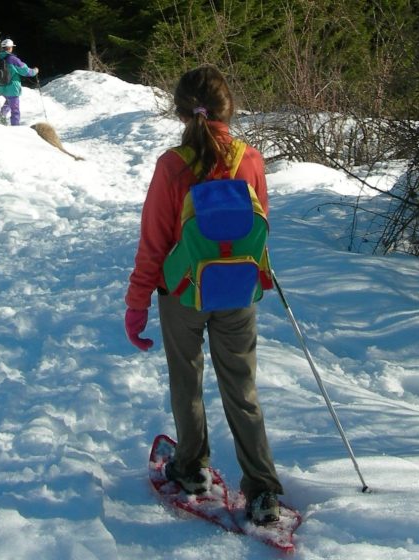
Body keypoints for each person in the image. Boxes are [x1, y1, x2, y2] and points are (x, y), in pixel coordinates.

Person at [124, 65, 284, 525]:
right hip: (236, 289)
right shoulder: (249, 159)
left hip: (183, 293)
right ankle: (263, 489)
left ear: (180, 111)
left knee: (186, 380)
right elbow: (260, 222)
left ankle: (191, 468)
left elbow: (154, 244)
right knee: (242, 388)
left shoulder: (172, 166)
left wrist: (137, 305)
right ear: (227, 108)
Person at [0, 38, 38, 126]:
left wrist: (0, 80)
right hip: (12, 88)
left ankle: (0, 118)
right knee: (15, 110)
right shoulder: (13, 59)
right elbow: (26, 71)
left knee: (8, 101)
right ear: (10, 48)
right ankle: (15, 127)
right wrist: (35, 71)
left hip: (0, 86)